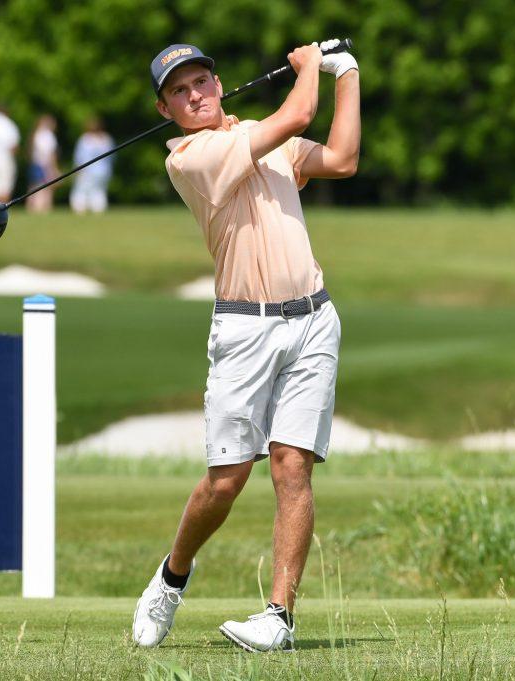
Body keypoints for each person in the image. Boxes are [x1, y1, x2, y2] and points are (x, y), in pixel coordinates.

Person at [131, 40, 360, 652]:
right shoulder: (191, 159)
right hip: (244, 328)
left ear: (220, 84)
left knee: (293, 466)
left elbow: (340, 158)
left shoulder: (263, 135)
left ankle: (278, 616)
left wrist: (347, 75)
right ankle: (172, 577)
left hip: (313, 318)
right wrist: (309, 67)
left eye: (202, 81)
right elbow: (297, 117)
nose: (195, 94)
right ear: (166, 109)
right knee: (227, 479)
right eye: (179, 90)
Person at [69, 117, 115, 213]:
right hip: (103, 171)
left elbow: (79, 157)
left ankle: (80, 210)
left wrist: (77, 169)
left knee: (82, 190)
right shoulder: (107, 139)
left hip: (87, 171)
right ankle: (98, 209)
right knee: (99, 191)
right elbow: (112, 157)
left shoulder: (85, 139)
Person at [26, 115, 59, 212]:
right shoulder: (47, 135)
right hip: (44, 165)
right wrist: (53, 169)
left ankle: (31, 209)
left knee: (34, 188)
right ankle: (41, 210)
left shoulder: (36, 134)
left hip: (35, 164)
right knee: (45, 189)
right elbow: (50, 154)